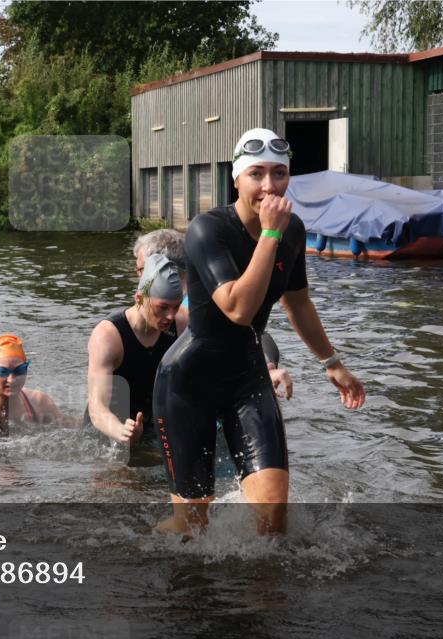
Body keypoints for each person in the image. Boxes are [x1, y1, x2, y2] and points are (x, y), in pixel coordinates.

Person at [153, 127, 366, 534]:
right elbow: (237, 308)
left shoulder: (294, 229)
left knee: (273, 515)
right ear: (236, 179)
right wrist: (270, 234)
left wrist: (332, 363)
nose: (269, 186)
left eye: (279, 174)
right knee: (192, 525)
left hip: (246, 378)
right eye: (257, 174)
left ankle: (264, 595)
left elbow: (298, 301)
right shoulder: (207, 229)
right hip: (187, 384)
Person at [134, 228, 294, 398]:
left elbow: (257, 336)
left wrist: (266, 369)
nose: (137, 277)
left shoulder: (199, 309)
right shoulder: (141, 309)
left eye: (140, 269)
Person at [86, 253, 186, 449]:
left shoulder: (181, 324)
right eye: (163, 307)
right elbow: (97, 407)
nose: (170, 316)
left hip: (153, 427)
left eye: (176, 307)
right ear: (140, 299)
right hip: (108, 432)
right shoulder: (108, 336)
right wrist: (121, 432)